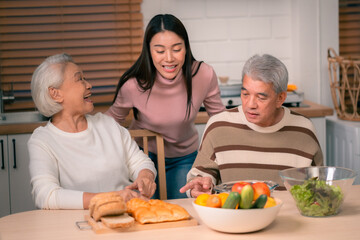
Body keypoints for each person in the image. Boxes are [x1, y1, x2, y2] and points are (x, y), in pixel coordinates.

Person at [106, 14, 225, 199]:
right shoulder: (133, 84)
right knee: (146, 211)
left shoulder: (204, 74)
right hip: (143, 158)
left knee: (184, 208)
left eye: (176, 49)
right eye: (160, 51)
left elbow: (220, 121)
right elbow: (109, 124)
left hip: (185, 158)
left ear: (185, 48)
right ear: (148, 51)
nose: (169, 58)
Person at [180, 54, 324, 198]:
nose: (250, 105)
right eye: (245, 94)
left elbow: (319, 188)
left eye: (261, 97)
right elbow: (201, 174)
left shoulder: (304, 131)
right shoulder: (218, 126)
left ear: (280, 98)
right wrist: (200, 184)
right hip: (234, 216)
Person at [28, 53, 157, 210]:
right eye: (79, 79)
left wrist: (145, 177)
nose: (89, 85)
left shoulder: (107, 124)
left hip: (126, 215)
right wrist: (112, 198)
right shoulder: (42, 140)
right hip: (76, 225)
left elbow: (141, 162)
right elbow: (46, 196)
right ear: (56, 94)